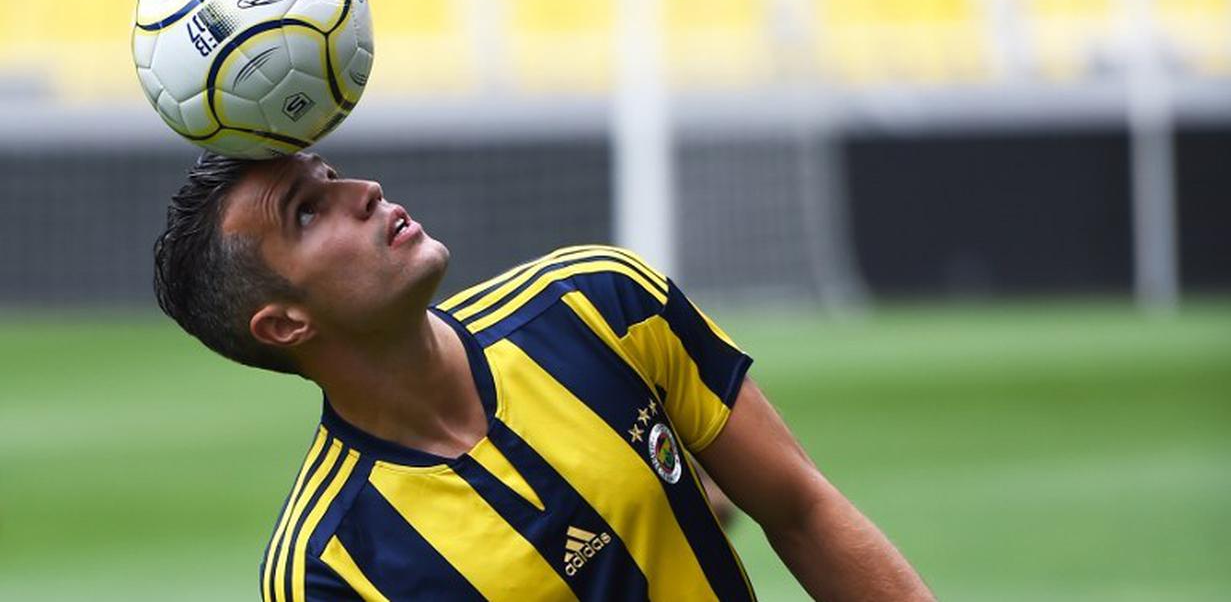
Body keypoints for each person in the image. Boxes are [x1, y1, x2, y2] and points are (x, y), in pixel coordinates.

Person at [154, 151, 933, 602]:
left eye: (332, 174)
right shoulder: (327, 569)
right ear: (285, 324)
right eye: (306, 212)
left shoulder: (598, 300)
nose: (364, 193)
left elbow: (799, 509)